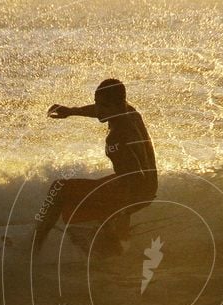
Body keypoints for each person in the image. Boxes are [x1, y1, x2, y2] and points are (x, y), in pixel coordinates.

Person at [34, 79, 157, 253]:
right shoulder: (130, 112)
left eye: (104, 105)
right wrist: (71, 111)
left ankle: (35, 244)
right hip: (146, 187)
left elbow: (134, 177)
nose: (98, 109)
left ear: (118, 104)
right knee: (80, 197)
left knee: (59, 188)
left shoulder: (119, 136)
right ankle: (107, 230)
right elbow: (97, 111)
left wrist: (121, 214)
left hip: (134, 190)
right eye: (97, 103)